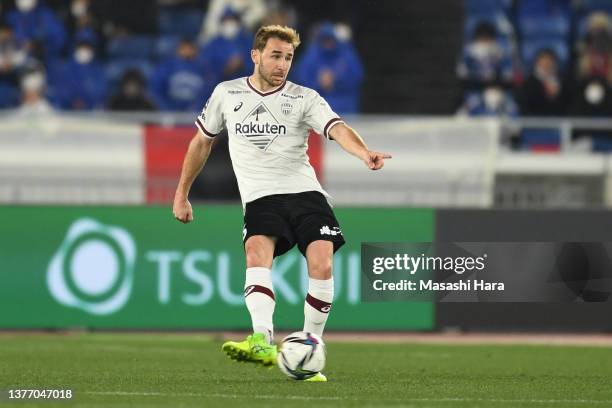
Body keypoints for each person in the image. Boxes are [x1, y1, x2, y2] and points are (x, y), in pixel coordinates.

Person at [172, 25, 391, 382]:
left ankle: (309, 350)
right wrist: (182, 193)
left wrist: (363, 153)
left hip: (305, 193)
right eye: (276, 55)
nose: (282, 64)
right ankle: (261, 340)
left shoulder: (304, 97)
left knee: (321, 264)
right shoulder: (226, 94)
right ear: (255, 55)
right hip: (260, 198)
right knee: (257, 255)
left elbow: (336, 128)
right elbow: (201, 143)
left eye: (288, 57)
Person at [295, 22, 364, 114]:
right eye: (324, 40)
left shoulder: (347, 55)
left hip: (345, 110)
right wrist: (319, 83)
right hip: (317, 111)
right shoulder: (310, 57)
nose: (328, 43)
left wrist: (335, 80)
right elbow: (299, 80)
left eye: (330, 39)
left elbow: (357, 77)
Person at [519, 48, 569, 116]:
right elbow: (525, 106)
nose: (547, 64)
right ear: (537, 62)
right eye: (543, 60)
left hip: (560, 120)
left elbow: (568, 104)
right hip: (535, 122)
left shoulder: (564, 81)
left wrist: (557, 94)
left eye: (550, 60)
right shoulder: (528, 84)